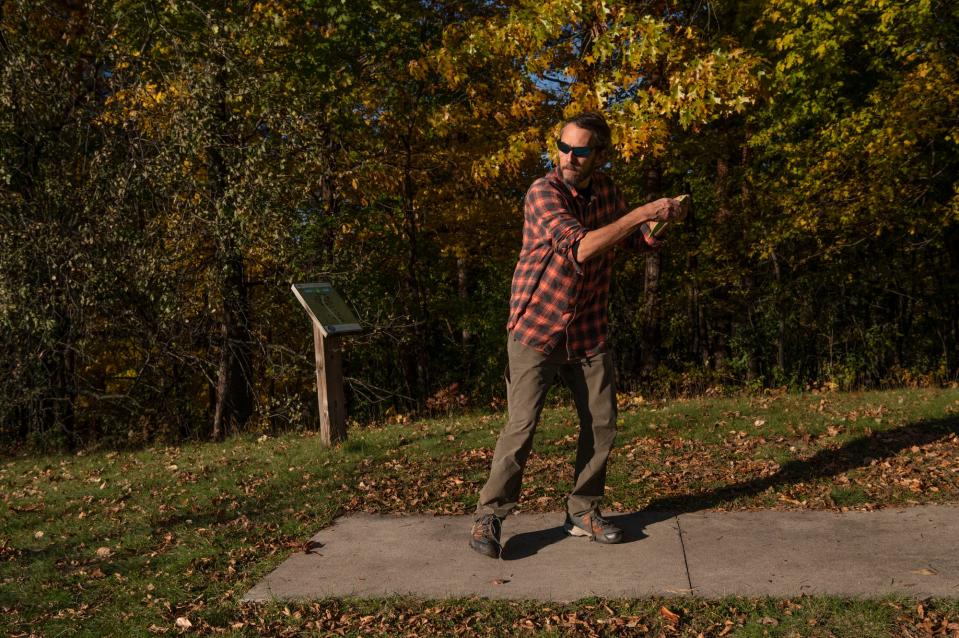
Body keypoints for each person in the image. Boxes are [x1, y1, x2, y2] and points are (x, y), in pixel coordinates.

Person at [469, 111, 684, 558]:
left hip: (588, 329)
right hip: (537, 329)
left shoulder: (605, 191)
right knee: (522, 427)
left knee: (601, 423)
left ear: (598, 156)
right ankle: (489, 516)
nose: (569, 157)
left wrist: (659, 224)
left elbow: (630, 241)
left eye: (580, 150)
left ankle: (583, 510)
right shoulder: (543, 193)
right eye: (563, 147)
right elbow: (581, 247)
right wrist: (642, 211)